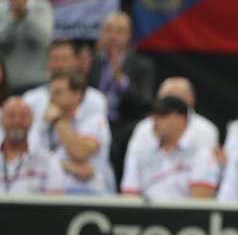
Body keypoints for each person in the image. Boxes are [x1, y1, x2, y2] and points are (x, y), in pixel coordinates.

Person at [86, 11, 156, 180]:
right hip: (94, 123)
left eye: (119, 31)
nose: (113, 36)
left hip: (126, 124)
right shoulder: (91, 64)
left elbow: (145, 104)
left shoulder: (142, 66)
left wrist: (120, 80)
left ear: (129, 36)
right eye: (109, 30)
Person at [120, 96, 219, 200]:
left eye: (162, 114)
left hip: (184, 215)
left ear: (182, 119)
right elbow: (129, 195)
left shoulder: (199, 154)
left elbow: (201, 203)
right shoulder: (141, 153)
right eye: (153, 115)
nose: (155, 120)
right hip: (145, 214)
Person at [43, 72, 115, 194]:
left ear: (77, 94)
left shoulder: (94, 120)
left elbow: (80, 152)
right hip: (55, 190)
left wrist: (58, 121)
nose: (51, 98)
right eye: (51, 92)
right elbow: (35, 159)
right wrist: (70, 167)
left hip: (89, 191)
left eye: (58, 92)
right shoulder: (45, 122)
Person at [125, 77, 219, 160]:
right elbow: (131, 178)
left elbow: (207, 174)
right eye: (162, 101)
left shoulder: (206, 132)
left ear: (190, 101)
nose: (165, 105)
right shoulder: (143, 130)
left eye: (172, 102)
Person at [0, 0, 54, 93]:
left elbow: (44, 39)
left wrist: (24, 13)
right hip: (5, 86)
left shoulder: (43, 7)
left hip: (38, 84)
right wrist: (14, 18)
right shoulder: (1, 8)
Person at [0, 97, 55, 195]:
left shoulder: (48, 161)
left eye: (23, 116)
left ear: (31, 121)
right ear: (1, 120)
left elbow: (55, 205)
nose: (17, 121)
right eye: (11, 116)